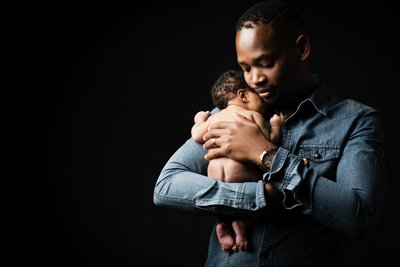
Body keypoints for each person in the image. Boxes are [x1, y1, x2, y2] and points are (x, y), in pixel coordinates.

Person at [154, 1, 386, 266]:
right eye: (245, 68)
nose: (254, 79)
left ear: (301, 48)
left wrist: (265, 155)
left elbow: (359, 217)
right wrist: (262, 196)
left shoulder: (356, 121)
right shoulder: (232, 112)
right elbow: (166, 187)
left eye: (265, 63)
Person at [191, 69, 284, 253]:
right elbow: (271, 140)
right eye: (258, 95)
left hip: (216, 180)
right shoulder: (252, 116)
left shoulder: (215, 118)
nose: (264, 102)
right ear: (243, 94)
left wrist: (199, 119)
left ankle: (222, 224)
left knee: (225, 206)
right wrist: (275, 124)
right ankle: (243, 224)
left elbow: (196, 135)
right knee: (264, 202)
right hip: (243, 177)